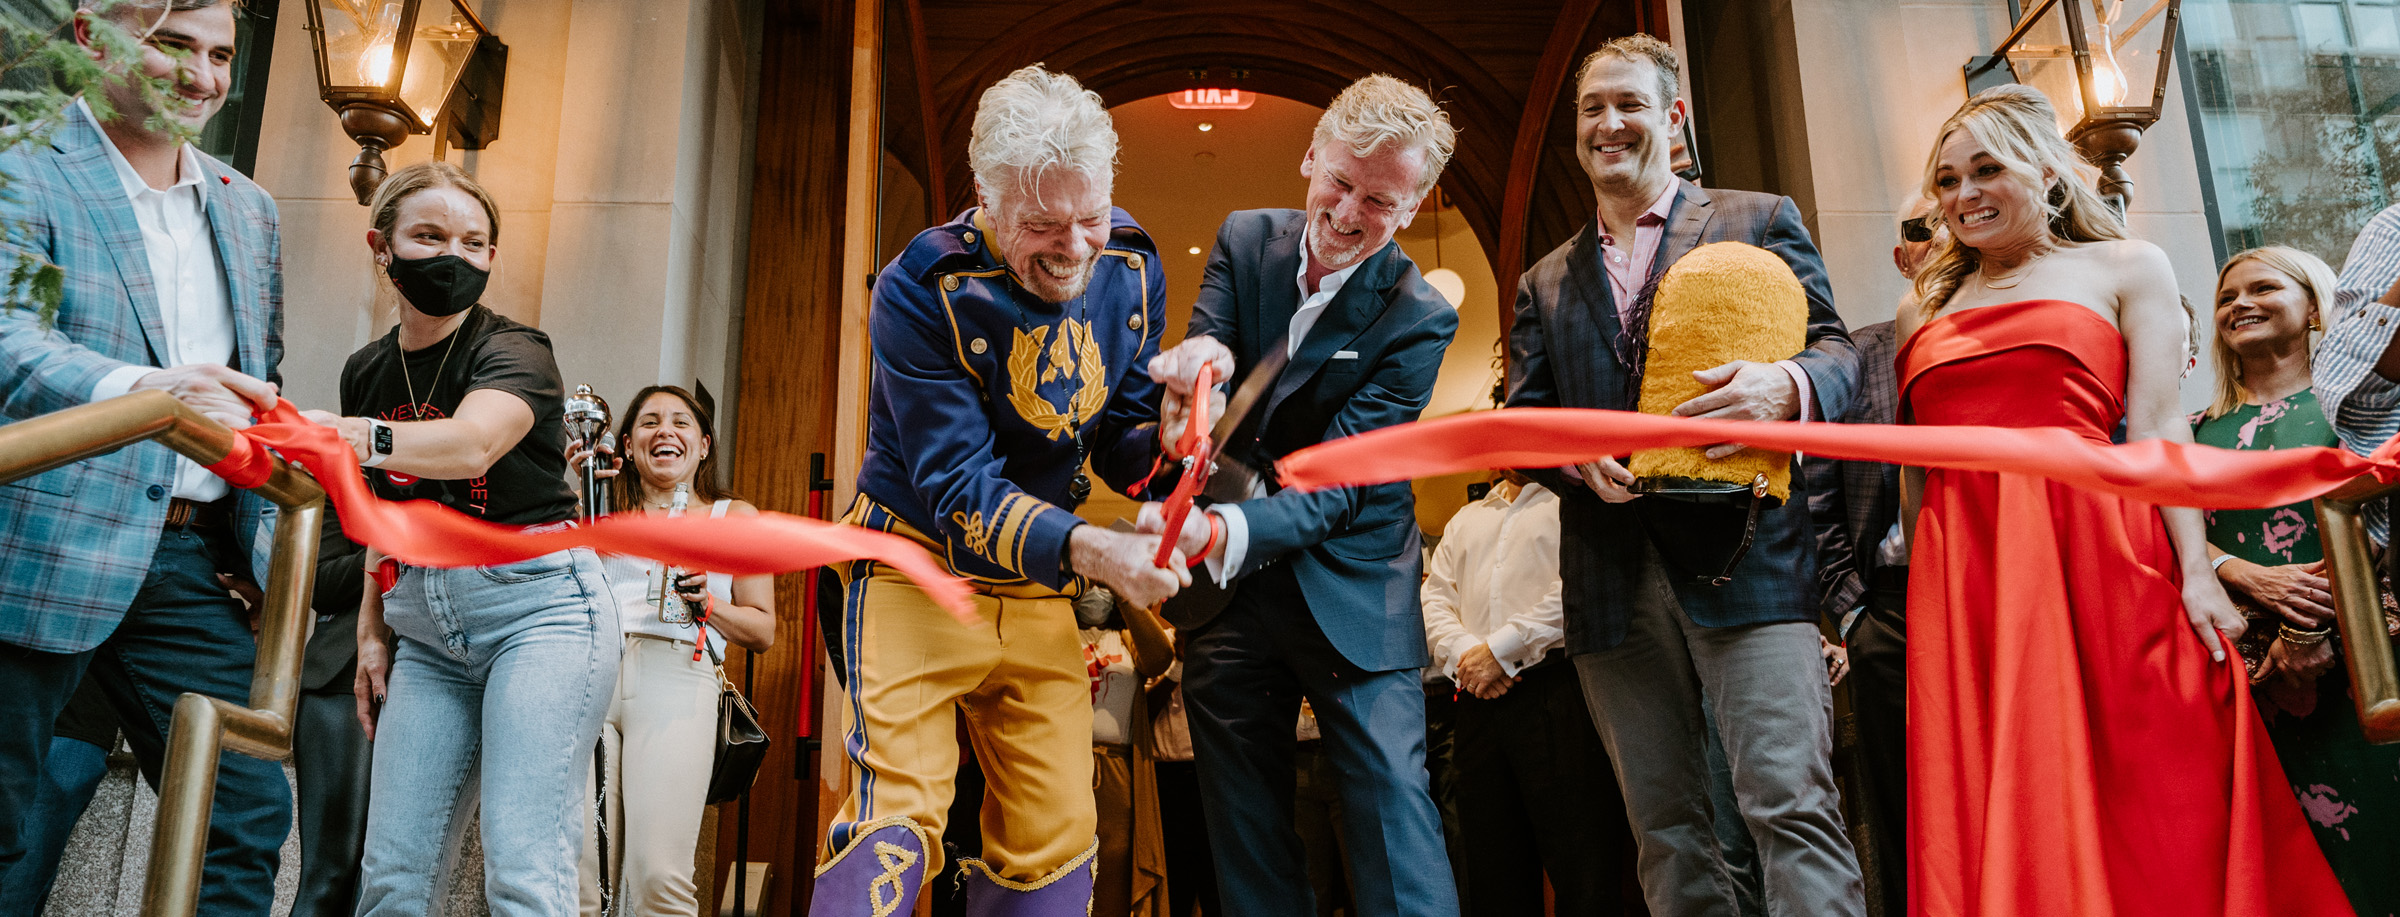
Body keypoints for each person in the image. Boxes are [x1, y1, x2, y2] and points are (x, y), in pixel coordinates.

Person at [1893, 83, 2349, 915]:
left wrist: (2198, 573)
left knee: (2150, 765)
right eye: (1948, 179)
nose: (1963, 196)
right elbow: (1912, 468)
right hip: (1966, 574)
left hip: (2097, 544)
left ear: (2047, 173)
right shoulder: (1921, 306)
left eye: (1986, 169)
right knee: (2007, 772)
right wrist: (1925, 589)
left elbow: (2159, 428)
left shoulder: (2127, 265)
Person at [1501, 34, 1864, 917]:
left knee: (1789, 804)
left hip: (1751, 561)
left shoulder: (1758, 217)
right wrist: (1565, 455)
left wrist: (1788, 384)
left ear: (1672, 117)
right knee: (1665, 828)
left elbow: (1839, 355)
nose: (1608, 123)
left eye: (1628, 103)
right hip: (1609, 583)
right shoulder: (1543, 280)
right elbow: (1522, 420)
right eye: (1591, 109)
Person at [821, 64, 1187, 916]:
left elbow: (1121, 448)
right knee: (896, 823)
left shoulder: (1131, 265)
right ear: (984, 196)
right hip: (915, 568)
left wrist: (1167, 436)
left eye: (1091, 217)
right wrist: (1094, 548)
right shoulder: (921, 286)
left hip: (1033, 585)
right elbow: (958, 487)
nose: (1075, 249)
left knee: (1057, 839)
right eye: (1043, 225)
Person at [1145, 73, 1462, 917]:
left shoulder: (1420, 316)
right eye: (1341, 182)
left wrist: (1221, 530)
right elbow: (1209, 334)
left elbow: (1342, 482)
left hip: (1349, 586)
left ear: (1417, 203)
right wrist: (1195, 372)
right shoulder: (1245, 240)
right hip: (1231, 602)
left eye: (1382, 201)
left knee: (1394, 827)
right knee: (1247, 845)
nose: (1351, 213)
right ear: (1310, 155)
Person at [0, 2, 292, 913]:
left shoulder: (252, 209)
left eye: (220, 55)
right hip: (37, 542)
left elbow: (262, 383)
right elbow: (8, 335)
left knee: (240, 823)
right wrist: (149, 391)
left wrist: (261, 551)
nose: (203, 78)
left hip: (190, 562)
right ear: (94, 38)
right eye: (173, 45)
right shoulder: (20, 166)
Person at [301, 160, 619, 917]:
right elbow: (385, 513)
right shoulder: (367, 369)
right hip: (425, 631)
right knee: (392, 880)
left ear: (492, 258)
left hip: (539, 611)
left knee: (521, 871)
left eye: (475, 242)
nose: (455, 256)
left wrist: (346, 434)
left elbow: (473, 445)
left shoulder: (516, 350)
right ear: (383, 247)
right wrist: (374, 634)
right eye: (430, 235)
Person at [2197, 245, 2400, 914]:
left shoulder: (2359, 410)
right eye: (2227, 297)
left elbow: (2374, 525)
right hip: (2260, 682)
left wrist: (2303, 625)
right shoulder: (2194, 433)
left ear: (2315, 305)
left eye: (2263, 287)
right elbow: (2167, 541)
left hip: (2368, 662)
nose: (2240, 304)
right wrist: (2243, 571)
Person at [571, 384, 778, 916]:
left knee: (659, 875)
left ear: (704, 445)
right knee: (580, 879)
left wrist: (710, 604)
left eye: (681, 422)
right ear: (627, 444)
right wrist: (585, 490)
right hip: (591, 677)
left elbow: (762, 630)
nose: (665, 430)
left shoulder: (734, 519)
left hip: (676, 679)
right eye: (649, 422)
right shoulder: (598, 513)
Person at [1419, 470, 1638, 917]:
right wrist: (1470, 656)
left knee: (1583, 862)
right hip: (1476, 700)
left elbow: (1580, 588)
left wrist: (1501, 651)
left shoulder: (1574, 505)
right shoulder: (1465, 518)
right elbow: (1433, 602)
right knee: (1490, 865)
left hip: (1558, 690)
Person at [1799, 199, 1934, 911]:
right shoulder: (1858, 353)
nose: (1937, 234)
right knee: (1904, 801)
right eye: (1918, 227)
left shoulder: (2015, 335)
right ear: (1900, 256)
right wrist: (1853, 613)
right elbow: (1814, 493)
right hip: (1892, 607)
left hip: (2009, 593)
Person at [1076, 587, 1173, 917]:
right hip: (1067, 768)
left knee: (1115, 873)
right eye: (1089, 584)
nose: (1096, 592)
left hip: (1119, 773)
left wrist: (1124, 594)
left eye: (1103, 586)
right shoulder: (1058, 631)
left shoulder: (1128, 638)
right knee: (1067, 867)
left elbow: (1161, 657)